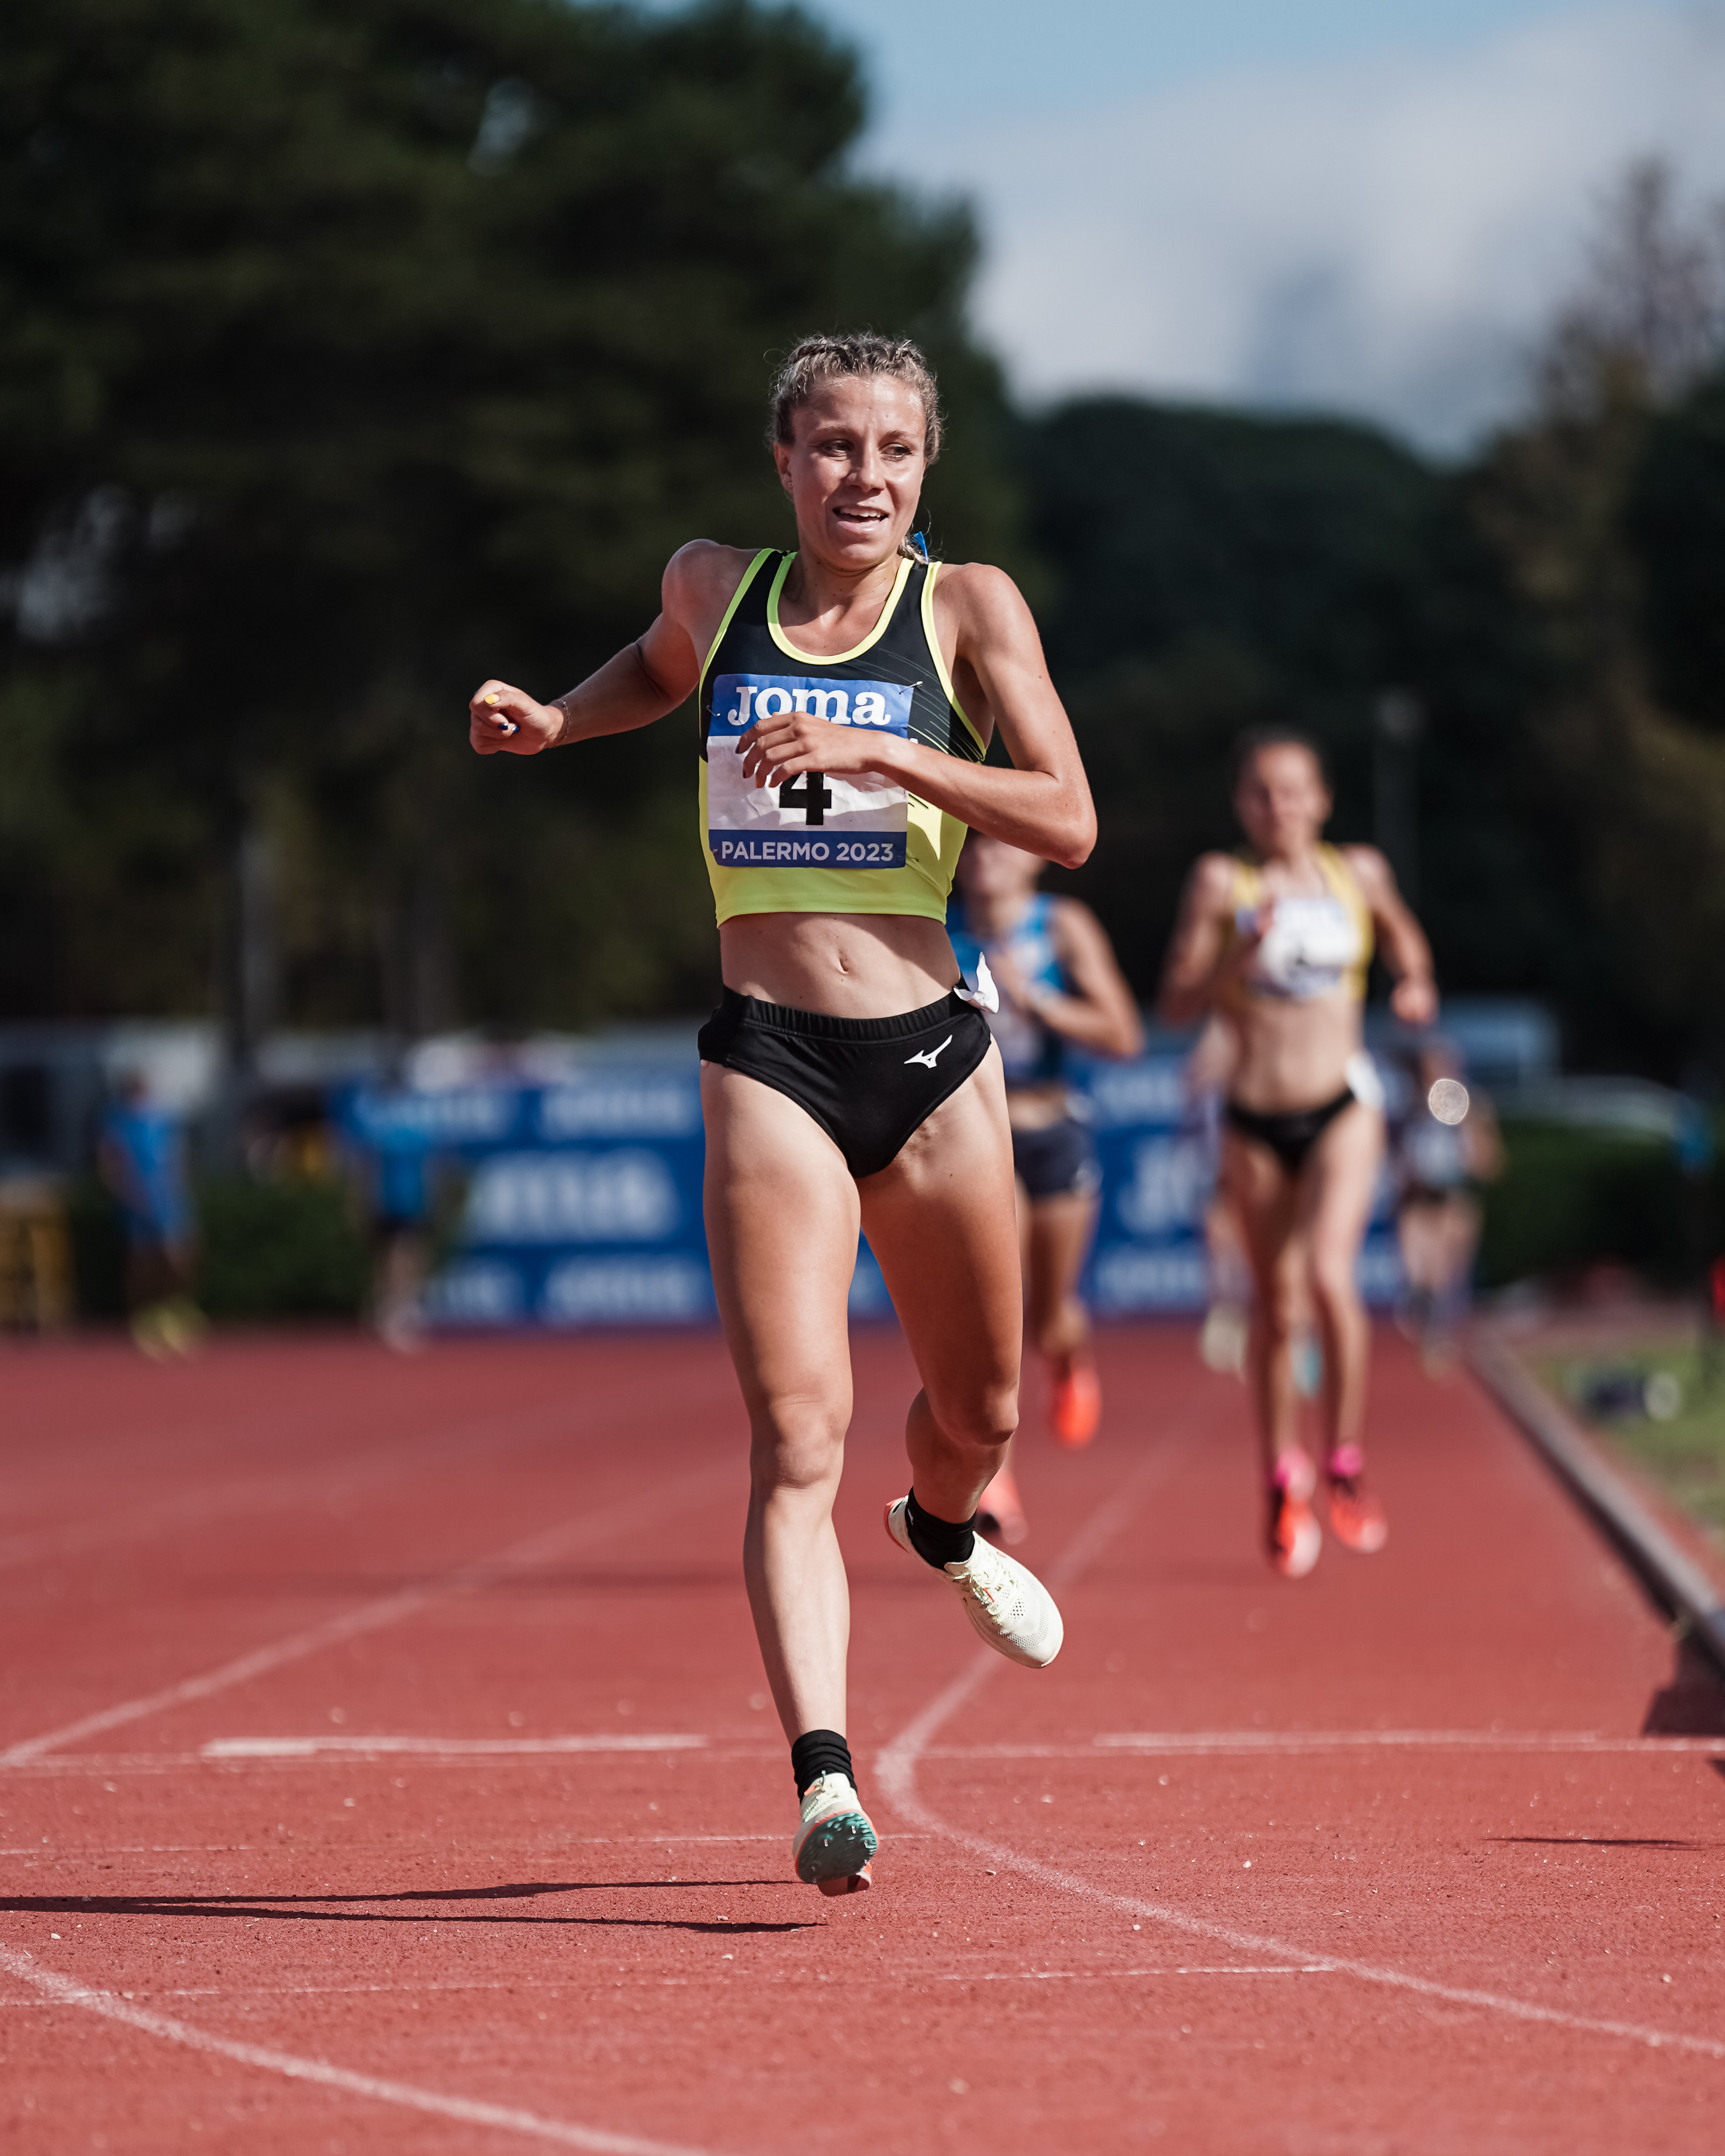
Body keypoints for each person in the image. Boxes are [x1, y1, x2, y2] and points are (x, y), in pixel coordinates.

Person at [467, 334, 1094, 1896]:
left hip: (932, 1057)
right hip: (769, 1057)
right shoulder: (713, 586)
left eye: (892, 450)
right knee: (797, 1432)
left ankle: (943, 1528)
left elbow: (1070, 817)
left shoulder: (969, 609)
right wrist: (555, 721)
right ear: (784, 460)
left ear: (926, 467)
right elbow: (656, 671)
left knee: (981, 1417)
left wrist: (883, 746)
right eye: (831, 446)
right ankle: (825, 1776)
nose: (862, 477)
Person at [1157, 729, 1437, 1578]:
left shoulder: (1361, 873)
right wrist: (1235, 960)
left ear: (1322, 798)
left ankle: (1344, 1461)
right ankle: (1283, 1477)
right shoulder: (1222, 882)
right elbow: (1175, 1005)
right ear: (1241, 804)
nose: (1278, 806)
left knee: (1327, 1277)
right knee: (1276, 1309)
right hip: (1255, 1117)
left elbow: (1406, 938)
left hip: (1341, 1106)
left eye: (1293, 790)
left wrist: (1415, 981)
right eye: (1261, 792)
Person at [946, 836, 1141, 1540]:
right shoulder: (937, 931)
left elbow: (1123, 1034)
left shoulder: (1061, 927)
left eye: (1005, 846)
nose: (988, 858)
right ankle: (997, 1478)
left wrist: (1037, 1000)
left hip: (1055, 1127)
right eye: (976, 846)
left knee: (1051, 1316)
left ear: (1033, 859)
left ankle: (1068, 1355)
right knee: (999, 1312)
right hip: (982, 1134)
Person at [1392, 1040, 1501, 1372]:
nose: (1434, 1077)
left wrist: (1467, 1131)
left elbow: (1490, 1165)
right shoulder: (1407, 1111)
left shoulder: (1473, 1109)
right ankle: (1426, 1323)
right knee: (1418, 1279)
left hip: (1454, 1202)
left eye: (1441, 1069)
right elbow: (1396, 1165)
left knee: (1445, 1280)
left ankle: (1439, 1340)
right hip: (1418, 1205)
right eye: (1427, 1071)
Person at [97, 1069, 204, 1359]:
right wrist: (124, 1193)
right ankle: (145, 1317)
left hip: (168, 1200)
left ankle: (174, 1310)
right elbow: (109, 1162)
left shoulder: (163, 1120)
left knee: (181, 1255)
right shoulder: (118, 1122)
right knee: (142, 1262)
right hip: (136, 1201)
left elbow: (178, 1156)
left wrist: (178, 1187)